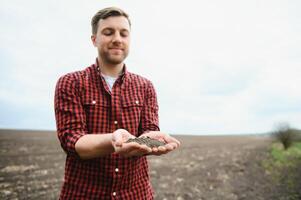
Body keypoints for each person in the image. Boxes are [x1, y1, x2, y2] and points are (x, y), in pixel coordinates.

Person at [54, 7, 180, 200]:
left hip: (135, 194)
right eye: (108, 32)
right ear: (94, 39)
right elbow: (72, 140)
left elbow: (149, 129)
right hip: (84, 194)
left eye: (124, 33)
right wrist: (113, 140)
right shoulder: (71, 82)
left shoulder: (145, 86)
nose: (117, 39)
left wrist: (148, 140)